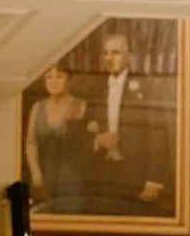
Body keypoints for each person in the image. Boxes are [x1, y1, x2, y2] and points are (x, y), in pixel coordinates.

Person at [81, 31, 175, 217]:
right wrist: (98, 140)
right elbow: (82, 129)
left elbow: (158, 135)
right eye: (106, 53)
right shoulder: (95, 88)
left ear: (129, 56)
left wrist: (154, 179)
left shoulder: (147, 87)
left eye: (115, 53)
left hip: (136, 174)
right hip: (102, 174)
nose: (109, 58)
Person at [23, 64, 88, 212]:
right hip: (42, 175)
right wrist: (35, 172)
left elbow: (85, 144)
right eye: (49, 77)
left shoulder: (80, 106)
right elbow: (31, 142)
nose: (54, 81)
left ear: (69, 81)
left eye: (59, 77)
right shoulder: (37, 107)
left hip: (71, 177)